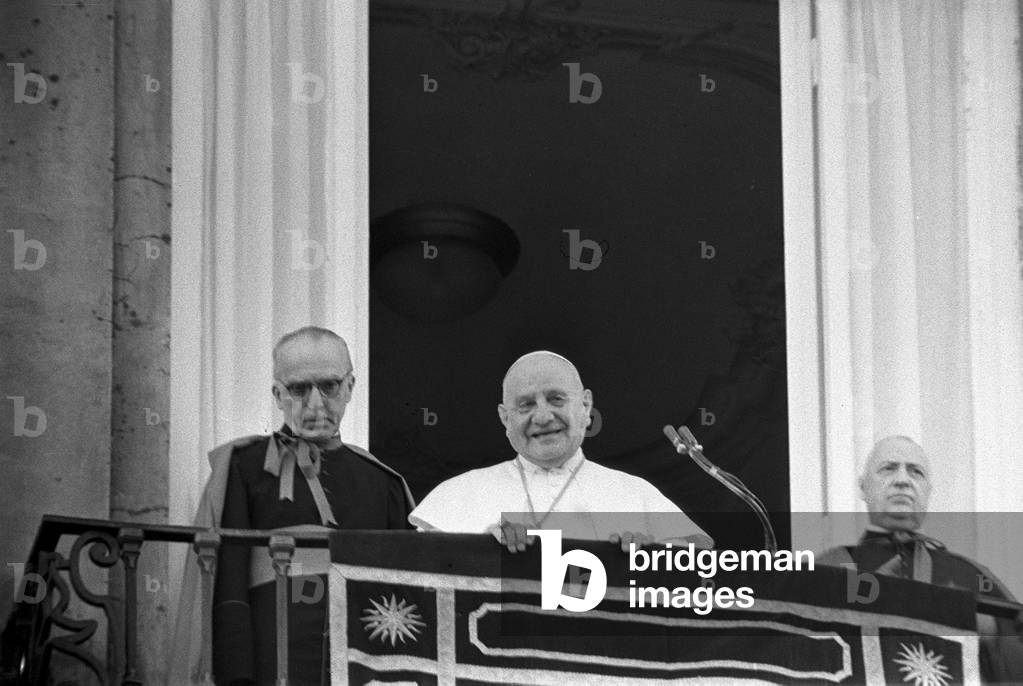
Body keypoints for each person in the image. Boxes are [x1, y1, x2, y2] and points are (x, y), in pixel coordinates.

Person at [168, 327, 414, 686]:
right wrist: (237, 677)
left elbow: (403, 592)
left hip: (362, 661)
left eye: (329, 386)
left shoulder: (382, 482)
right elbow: (228, 582)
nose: (315, 404)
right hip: (271, 657)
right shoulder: (245, 466)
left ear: (350, 387)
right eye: (299, 389)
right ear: (278, 394)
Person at [409, 351, 711, 552]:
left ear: (586, 405)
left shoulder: (634, 493)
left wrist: (650, 556)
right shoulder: (460, 494)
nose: (542, 417)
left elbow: (699, 566)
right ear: (505, 417)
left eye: (556, 399)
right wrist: (479, 551)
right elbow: (424, 582)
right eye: (526, 404)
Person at [818, 435, 1023, 682]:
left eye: (916, 472)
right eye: (888, 468)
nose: (903, 480)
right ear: (863, 487)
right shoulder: (827, 568)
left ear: (928, 491)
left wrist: (993, 632)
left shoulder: (970, 575)